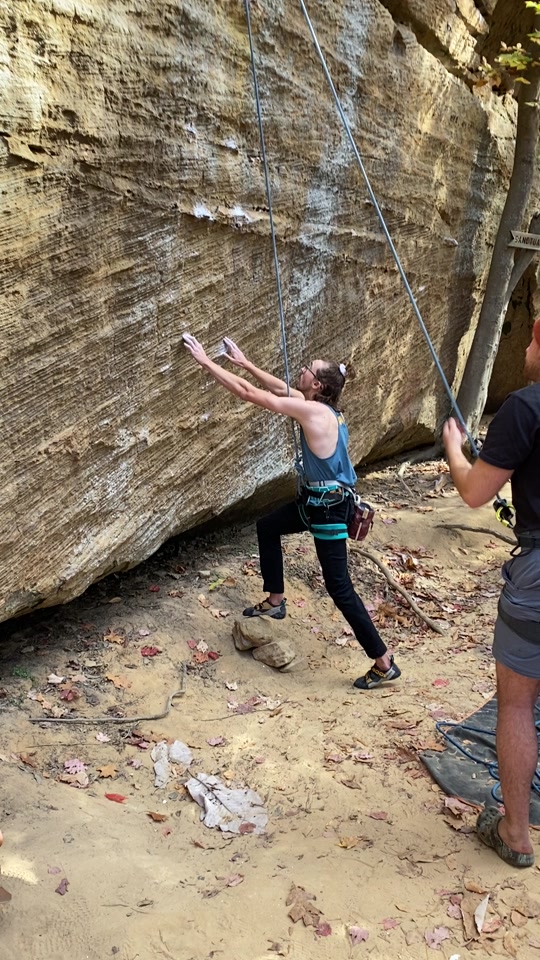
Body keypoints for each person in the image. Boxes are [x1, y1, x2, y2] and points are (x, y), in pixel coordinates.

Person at [183, 333, 400, 690]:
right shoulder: (322, 406)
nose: (300, 370)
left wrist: (207, 363)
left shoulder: (313, 411)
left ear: (316, 384)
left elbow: (252, 395)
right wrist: (244, 363)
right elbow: (280, 387)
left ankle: (383, 660)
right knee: (268, 527)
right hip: (316, 504)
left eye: (307, 369)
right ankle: (275, 600)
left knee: (339, 587)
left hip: (327, 511)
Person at [442, 318, 540, 869]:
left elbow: (476, 492)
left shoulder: (525, 407)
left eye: (527, 341)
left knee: (519, 701)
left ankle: (516, 833)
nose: (523, 351)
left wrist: (457, 449)